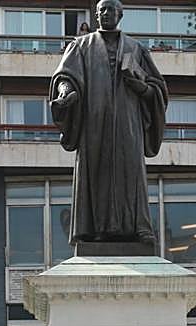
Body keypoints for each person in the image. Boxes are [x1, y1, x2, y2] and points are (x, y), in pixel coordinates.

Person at [50, 0, 167, 245]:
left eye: (110, 9)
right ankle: (96, 229)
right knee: (96, 173)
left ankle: (138, 228)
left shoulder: (136, 49)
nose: (105, 13)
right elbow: (65, 76)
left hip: (128, 124)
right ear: (96, 15)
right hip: (95, 122)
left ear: (120, 14)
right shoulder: (81, 46)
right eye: (101, 10)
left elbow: (158, 89)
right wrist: (64, 92)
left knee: (132, 173)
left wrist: (142, 88)